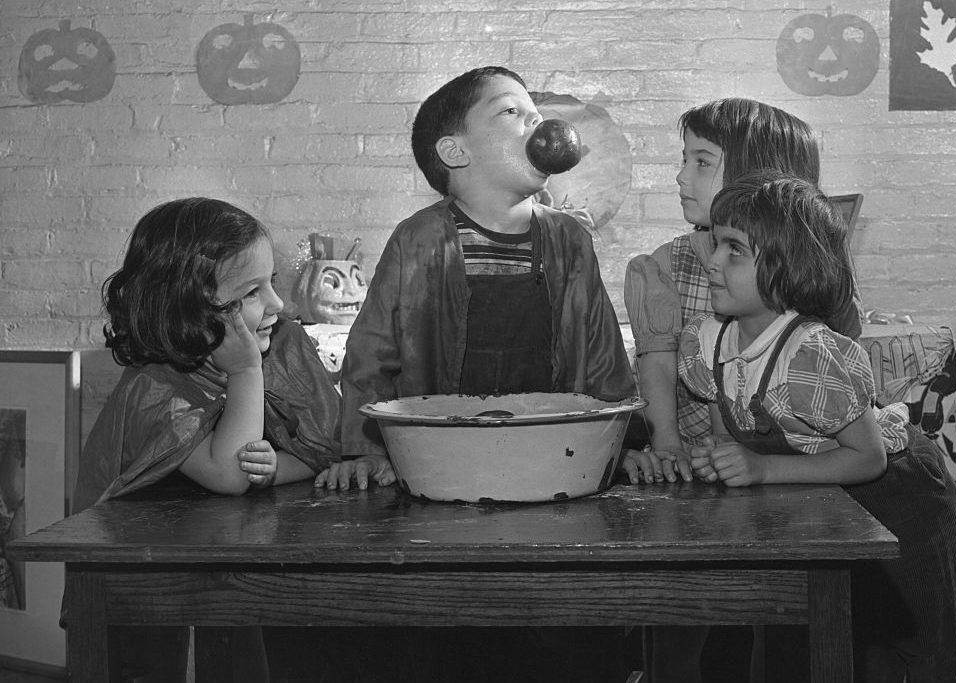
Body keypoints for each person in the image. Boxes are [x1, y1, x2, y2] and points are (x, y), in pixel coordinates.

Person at [314, 65, 636, 683]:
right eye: (511, 112)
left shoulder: (569, 238)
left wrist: (624, 442)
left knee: (558, 626)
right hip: (447, 469)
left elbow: (600, 351)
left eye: (536, 113)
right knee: (457, 628)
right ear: (455, 151)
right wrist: (361, 448)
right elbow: (371, 355)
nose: (537, 123)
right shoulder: (418, 239)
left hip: (553, 463)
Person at [73, 197, 393, 682]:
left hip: (228, 562)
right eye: (250, 293)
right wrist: (245, 371)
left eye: (273, 284)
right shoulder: (153, 385)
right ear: (187, 309)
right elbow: (227, 474)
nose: (278, 305)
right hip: (147, 579)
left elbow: (321, 444)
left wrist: (277, 469)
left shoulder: (281, 341)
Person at [680, 171, 956, 682]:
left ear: (785, 267)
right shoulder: (708, 345)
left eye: (734, 250)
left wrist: (760, 468)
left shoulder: (813, 355)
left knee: (916, 647)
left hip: (902, 501)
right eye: (714, 242)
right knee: (820, 641)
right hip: (819, 502)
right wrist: (717, 459)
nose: (711, 261)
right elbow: (727, 437)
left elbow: (867, 458)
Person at [621, 97, 863, 488]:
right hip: (703, 459)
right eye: (684, 160)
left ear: (757, 176)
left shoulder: (803, 268)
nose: (681, 177)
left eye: (702, 162)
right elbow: (659, 362)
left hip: (804, 464)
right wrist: (668, 445)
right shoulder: (666, 266)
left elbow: (836, 367)